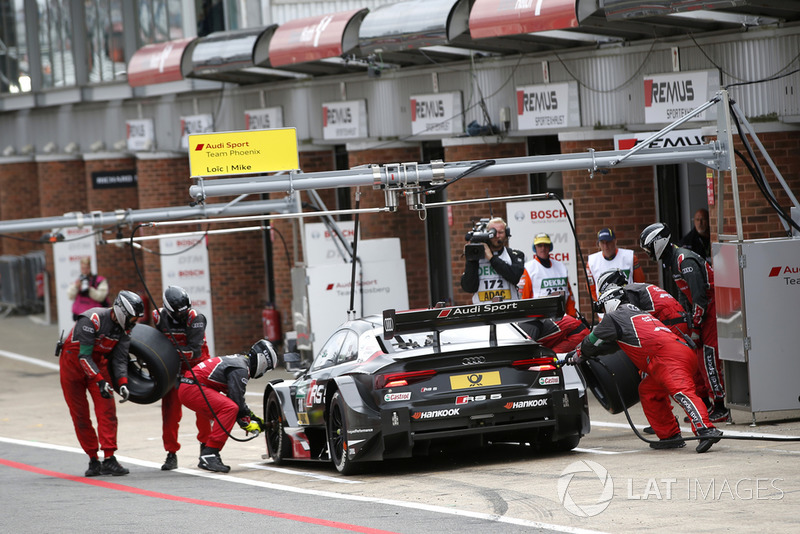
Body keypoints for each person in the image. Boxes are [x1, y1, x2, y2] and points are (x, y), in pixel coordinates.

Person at [567, 285, 723, 453]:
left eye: (603, 307)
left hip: (667, 358)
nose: (603, 313)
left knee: (681, 392)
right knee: (648, 391)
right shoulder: (634, 313)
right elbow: (608, 346)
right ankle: (669, 435)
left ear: (610, 302)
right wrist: (584, 352)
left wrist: (577, 353)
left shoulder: (615, 317)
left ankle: (705, 429)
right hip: (673, 353)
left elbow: (592, 341)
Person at [640, 222, 729, 423]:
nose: (648, 254)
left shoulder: (684, 260)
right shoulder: (674, 261)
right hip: (701, 314)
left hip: (711, 311)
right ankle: (704, 404)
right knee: (697, 360)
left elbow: (699, 297)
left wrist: (695, 324)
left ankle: (721, 407)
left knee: (709, 358)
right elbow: (683, 293)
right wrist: (685, 318)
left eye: (649, 248)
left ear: (658, 243)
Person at [58, 290, 144, 476]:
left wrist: (122, 382)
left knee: (107, 410)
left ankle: (109, 458)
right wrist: (100, 381)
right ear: (121, 311)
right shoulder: (91, 319)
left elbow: (120, 359)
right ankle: (93, 459)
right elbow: (84, 356)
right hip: (73, 365)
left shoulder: (125, 328)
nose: (133, 322)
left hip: (98, 363)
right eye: (132, 318)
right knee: (80, 414)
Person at [178, 339, 278, 473]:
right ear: (263, 361)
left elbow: (237, 399)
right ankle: (210, 453)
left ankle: (207, 451)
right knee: (229, 409)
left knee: (227, 412)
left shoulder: (239, 362)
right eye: (266, 369)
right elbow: (236, 401)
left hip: (190, 387)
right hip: (192, 388)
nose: (263, 372)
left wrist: (250, 417)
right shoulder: (241, 369)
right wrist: (245, 422)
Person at [152, 286, 212, 471]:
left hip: (196, 367)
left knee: (203, 410)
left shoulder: (196, 318)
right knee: (169, 411)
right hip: (171, 367)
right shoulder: (158, 317)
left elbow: (193, 352)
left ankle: (206, 449)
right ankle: (171, 453)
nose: (182, 316)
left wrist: (169, 353)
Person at [460, 217, 525, 303]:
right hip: (483, 310)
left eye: (501, 232)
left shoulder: (514, 255)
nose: (497, 236)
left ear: (507, 234)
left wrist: (491, 258)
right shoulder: (477, 257)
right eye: (493, 232)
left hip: (509, 308)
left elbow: (514, 277)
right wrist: (471, 259)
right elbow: (469, 287)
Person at [518, 233, 577, 317]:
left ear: (550, 247)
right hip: (538, 319)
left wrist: (572, 316)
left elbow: (568, 295)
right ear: (535, 248)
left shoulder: (561, 267)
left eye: (546, 245)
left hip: (561, 317)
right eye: (539, 245)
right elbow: (524, 298)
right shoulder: (529, 268)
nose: (543, 248)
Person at [586, 228, 645, 302]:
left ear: (615, 241)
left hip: (629, 305)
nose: (605, 246)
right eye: (602, 243)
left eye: (608, 242)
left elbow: (640, 282)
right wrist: (601, 303)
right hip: (605, 308)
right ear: (598, 244)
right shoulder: (592, 262)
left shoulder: (630, 257)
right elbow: (591, 288)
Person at [67, 257, 109, 321]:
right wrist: (76, 287)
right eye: (83, 268)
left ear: (90, 267)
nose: (85, 270)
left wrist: (89, 289)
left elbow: (101, 297)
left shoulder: (99, 280)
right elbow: (70, 296)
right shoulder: (78, 282)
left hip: (95, 316)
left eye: (86, 268)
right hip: (80, 315)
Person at [518, 314, 588, 353]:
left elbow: (528, 353)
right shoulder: (520, 326)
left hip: (575, 333)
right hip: (571, 328)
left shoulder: (525, 330)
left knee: (553, 359)